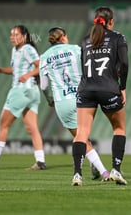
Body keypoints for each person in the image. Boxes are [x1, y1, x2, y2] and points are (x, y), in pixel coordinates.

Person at [39, 26, 109, 180]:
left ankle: (97, 169)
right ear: (63, 36)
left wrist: (49, 99)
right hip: (83, 97)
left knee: (80, 137)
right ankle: (103, 172)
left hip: (62, 101)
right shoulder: (76, 49)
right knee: (83, 136)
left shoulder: (44, 57)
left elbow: (43, 86)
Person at [71, 7, 128, 186]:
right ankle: (116, 170)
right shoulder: (118, 38)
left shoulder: (85, 40)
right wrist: (122, 87)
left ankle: (77, 175)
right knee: (119, 128)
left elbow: (82, 65)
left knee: (81, 133)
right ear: (110, 21)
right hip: (108, 89)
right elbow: (124, 64)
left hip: (86, 90)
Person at [0, 25, 46, 170]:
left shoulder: (27, 49)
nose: (12, 37)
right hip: (32, 92)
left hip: (21, 91)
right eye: (11, 34)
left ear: (24, 36)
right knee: (32, 128)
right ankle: (40, 161)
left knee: (3, 125)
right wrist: (1, 69)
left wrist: (27, 75)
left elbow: (41, 66)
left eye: (16, 34)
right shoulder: (16, 50)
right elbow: (16, 70)